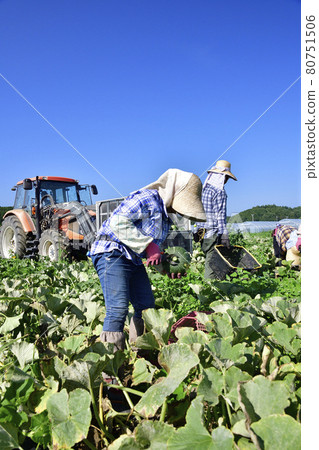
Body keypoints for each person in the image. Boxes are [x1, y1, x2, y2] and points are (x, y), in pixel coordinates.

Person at [89, 169, 206, 351]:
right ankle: (110, 368)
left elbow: (151, 254)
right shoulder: (147, 198)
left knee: (146, 307)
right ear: (173, 192)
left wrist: (165, 268)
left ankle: (140, 352)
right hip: (111, 252)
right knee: (118, 309)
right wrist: (148, 244)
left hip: (133, 259)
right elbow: (118, 222)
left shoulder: (166, 218)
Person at [194, 160, 237, 279]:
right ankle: (209, 291)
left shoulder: (203, 190)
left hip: (202, 234)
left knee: (212, 261)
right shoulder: (219, 191)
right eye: (226, 177)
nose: (226, 180)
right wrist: (224, 234)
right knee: (212, 265)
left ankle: (217, 285)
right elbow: (220, 215)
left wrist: (196, 230)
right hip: (212, 234)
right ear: (222, 177)